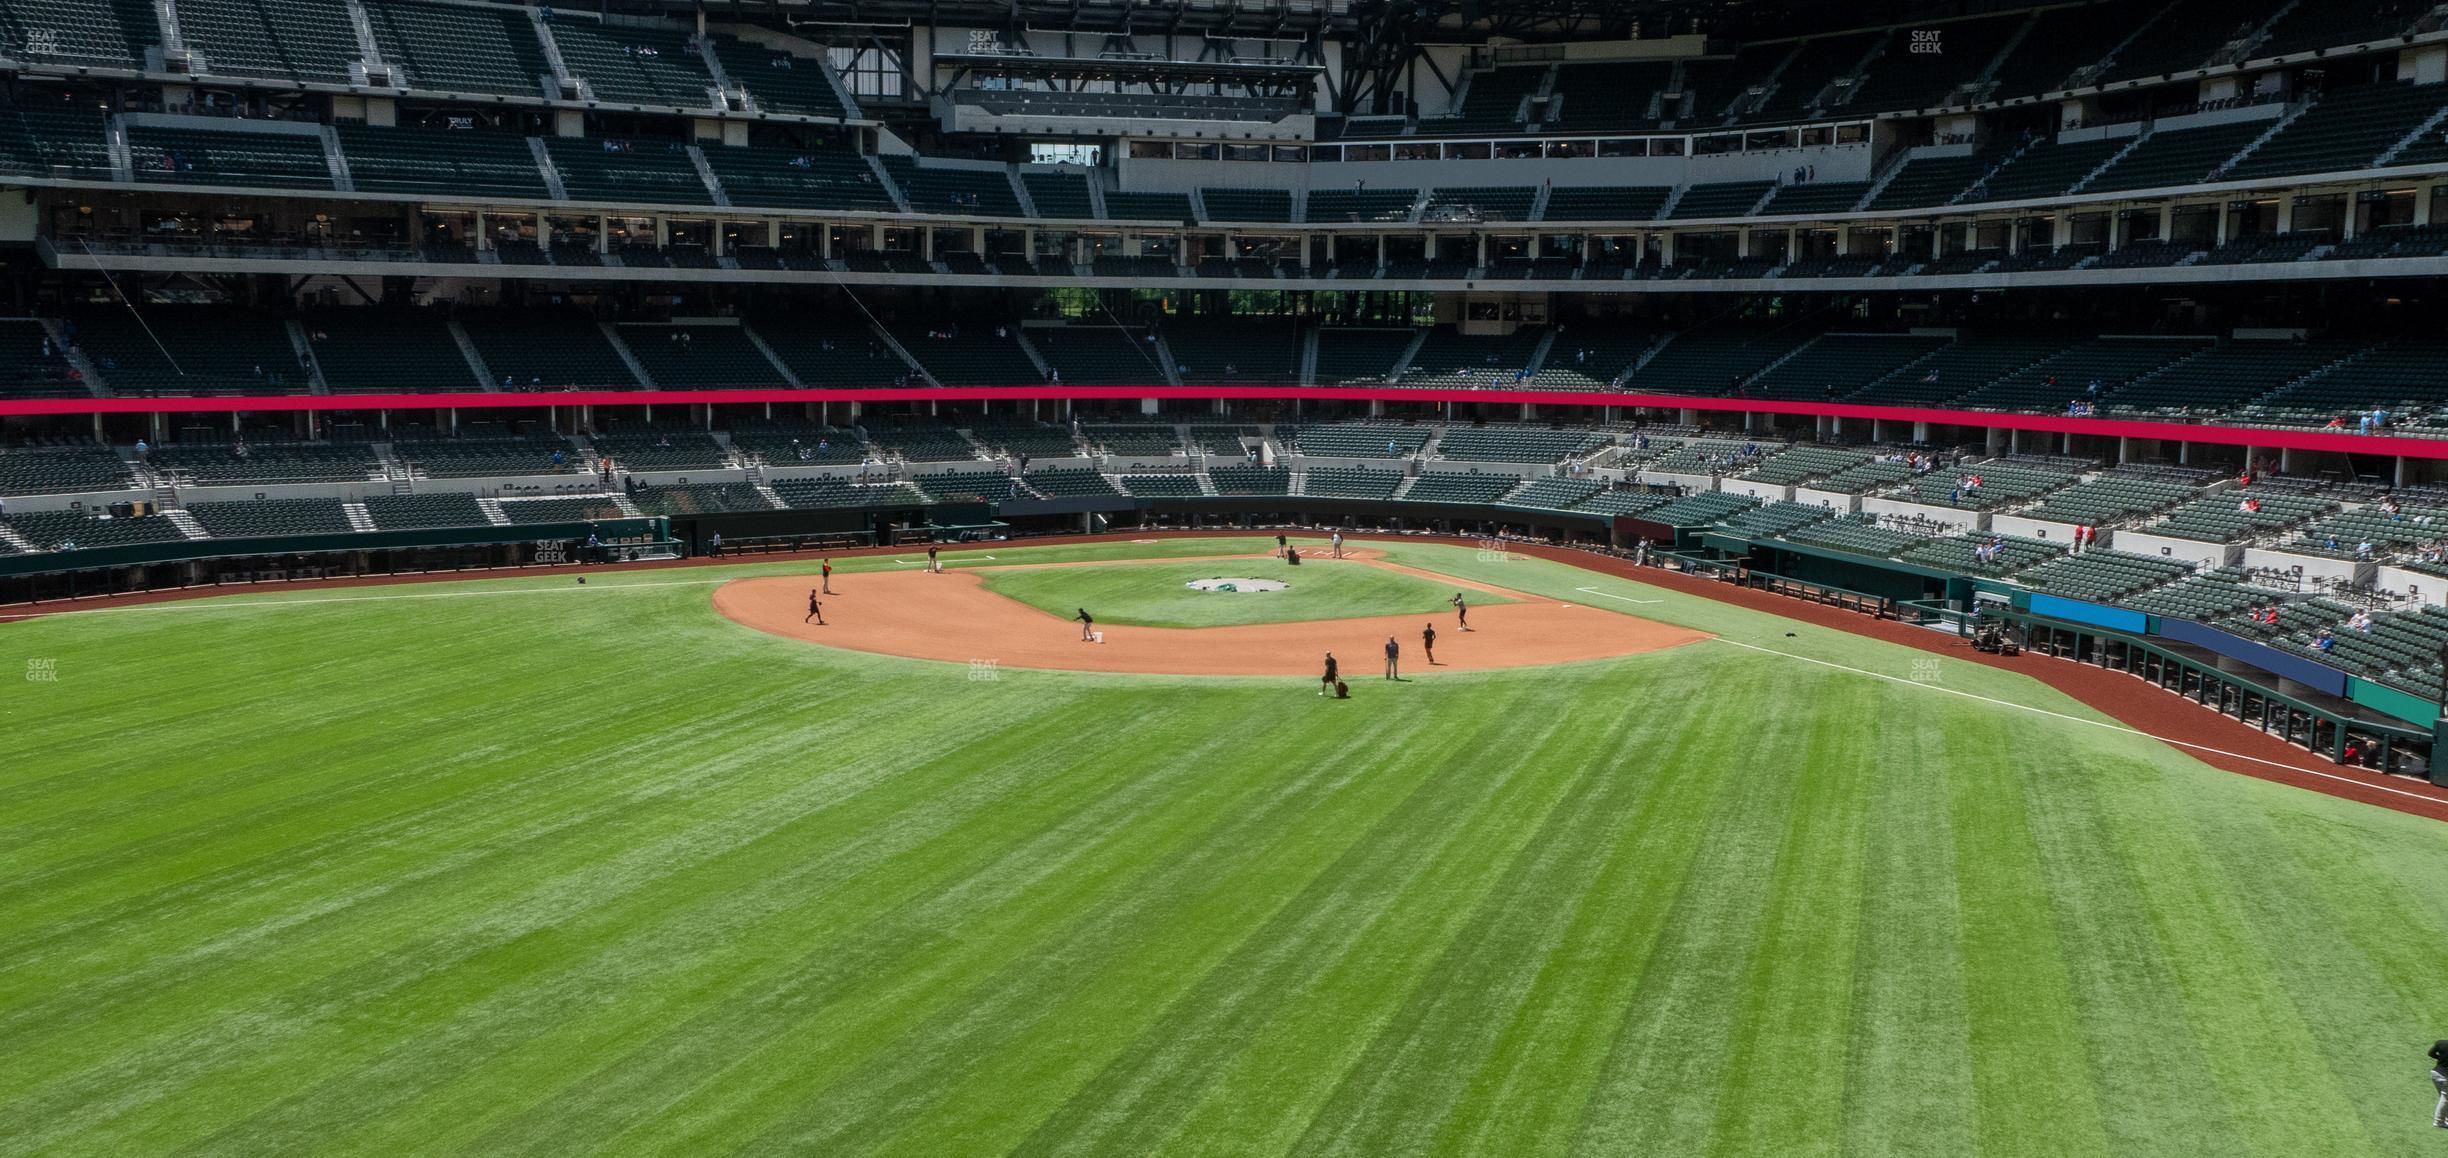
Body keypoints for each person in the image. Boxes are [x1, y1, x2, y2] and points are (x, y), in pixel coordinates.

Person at [2429, 1040, 2448, 1129]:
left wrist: (2441, 1059)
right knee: (2445, 1098)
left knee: (2443, 1096)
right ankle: (2439, 1121)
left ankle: (2445, 1118)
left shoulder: (2441, 1043)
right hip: (2445, 1077)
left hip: (2435, 1073)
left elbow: (2430, 1053)